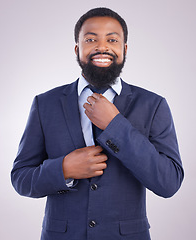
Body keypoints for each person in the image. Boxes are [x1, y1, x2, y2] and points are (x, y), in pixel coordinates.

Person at [11, 7, 184, 240]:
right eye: (91, 39)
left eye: (112, 39)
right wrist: (64, 169)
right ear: (77, 49)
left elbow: (168, 182)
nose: (102, 47)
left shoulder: (153, 105)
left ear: (124, 49)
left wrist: (114, 125)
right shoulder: (45, 104)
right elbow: (21, 178)